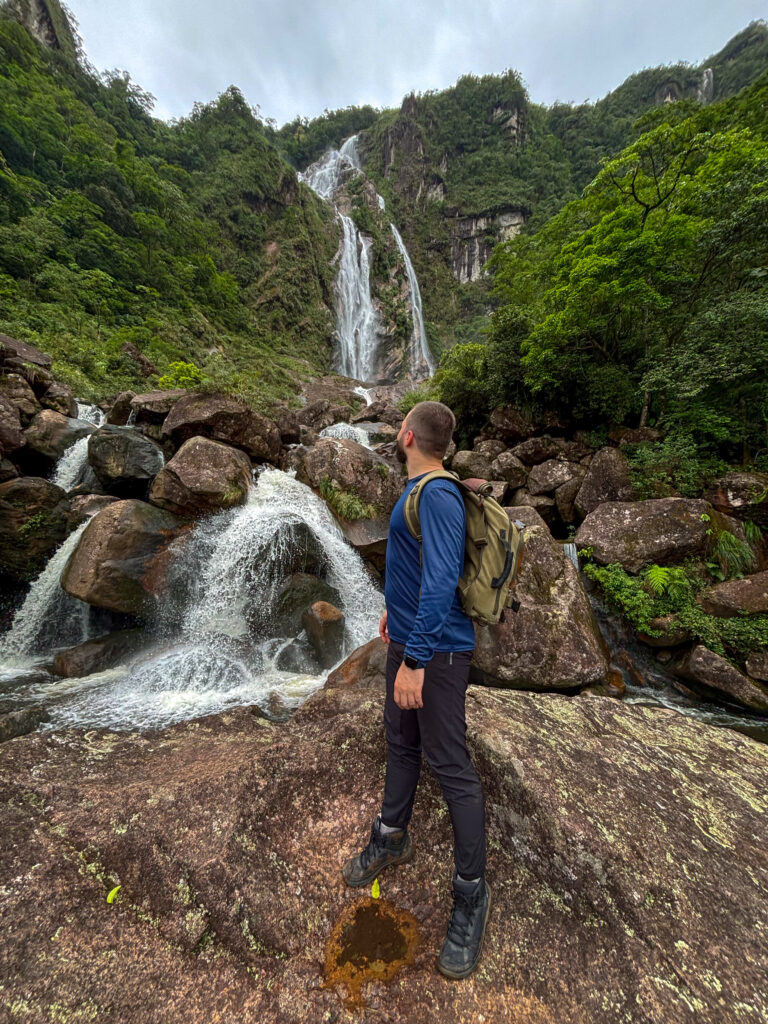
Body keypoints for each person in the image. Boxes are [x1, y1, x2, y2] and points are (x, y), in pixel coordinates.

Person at [341, 400, 490, 980]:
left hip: (440, 654)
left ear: (406, 436)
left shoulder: (441, 494)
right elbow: (413, 571)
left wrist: (417, 659)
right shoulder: (417, 491)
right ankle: (391, 835)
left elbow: (440, 580)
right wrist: (391, 617)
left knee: (451, 766)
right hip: (408, 639)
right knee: (400, 742)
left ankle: (472, 894)